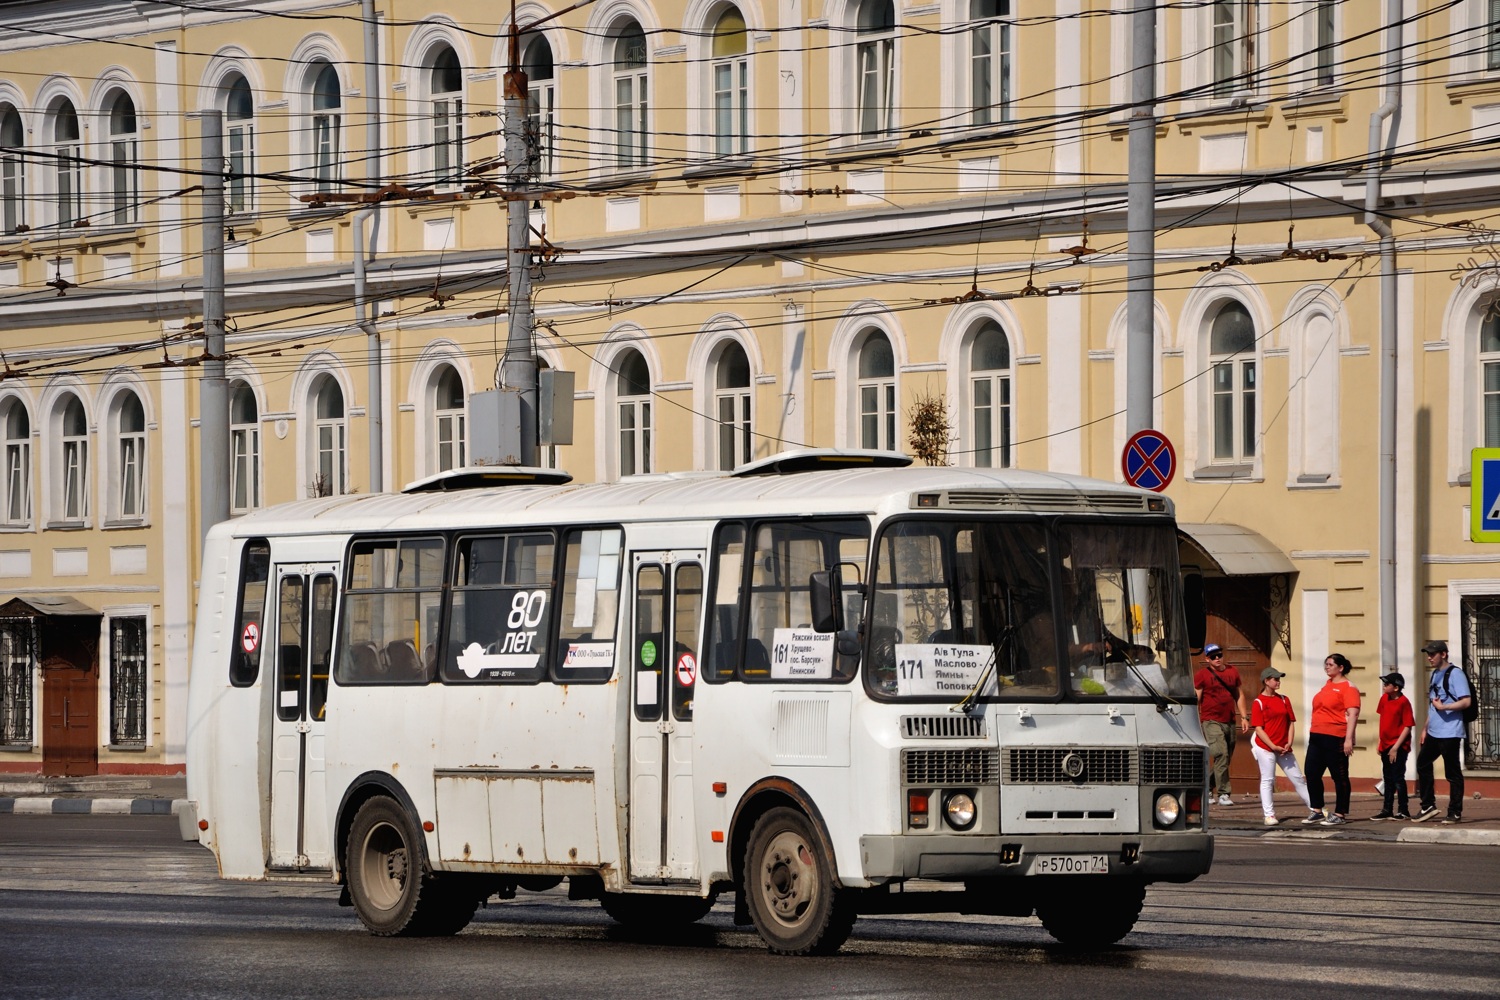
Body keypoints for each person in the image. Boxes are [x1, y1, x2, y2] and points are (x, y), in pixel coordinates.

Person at [1413, 640, 1471, 823]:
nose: (1429, 657)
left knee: (1452, 773)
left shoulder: (1456, 674)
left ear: (1443, 654)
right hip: (1435, 731)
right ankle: (1428, 805)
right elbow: (1434, 704)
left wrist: (1445, 706)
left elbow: (1466, 701)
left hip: (1450, 732)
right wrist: (1425, 728)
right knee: (1422, 763)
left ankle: (1454, 812)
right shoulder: (1435, 674)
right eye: (1428, 654)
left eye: (1433, 654)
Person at [1303, 652, 1362, 826]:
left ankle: (1340, 813)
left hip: (1336, 736)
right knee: (1312, 772)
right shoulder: (1327, 685)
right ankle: (1317, 809)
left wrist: (1348, 739)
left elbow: (1353, 714)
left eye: (1330, 664)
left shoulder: (1348, 687)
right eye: (1326, 664)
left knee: (1339, 776)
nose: (1327, 667)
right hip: (1317, 735)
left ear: (1340, 667)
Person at [1249, 666, 1313, 826]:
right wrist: (1273, 745)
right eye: (1275, 679)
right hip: (1265, 747)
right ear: (1266, 681)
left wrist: (1289, 742)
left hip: (1284, 747)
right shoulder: (1259, 702)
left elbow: (1291, 722)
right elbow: (1258, 728)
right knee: (1268, 780)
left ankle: (1315, 808)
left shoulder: (1284, 699)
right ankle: (1269, 815)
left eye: (1279, 679)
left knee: (1298, 778)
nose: (1278, 682)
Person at [1193, 643, 1248, 806]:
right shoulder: (1202, 675)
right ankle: (1224, 793)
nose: (1217, 658)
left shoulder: (1232, 671)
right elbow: (1197, 698)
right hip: (1210, 720)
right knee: (1221, 754)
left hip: (1229, 720)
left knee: (1226, 757)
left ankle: (1208, 786)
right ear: (1207, 659)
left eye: (1219, 655)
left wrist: (1244, 717)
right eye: (1213, 656)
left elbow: (1239, 694)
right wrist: (1195, 721)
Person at [1372, 671, 1414, 820]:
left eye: (1387, 684)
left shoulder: (1404, 702)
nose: (1384, 686)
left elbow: (1408, 726)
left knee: (1398, 778)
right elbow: (1383, 721)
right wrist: (1380, 741)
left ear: (1396, 688)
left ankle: (1403, 810)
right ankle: (1387, 809)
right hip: (1385, 745)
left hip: (1398, 746)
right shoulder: (1384, 699)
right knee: (1387, 778)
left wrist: (1395, 747)